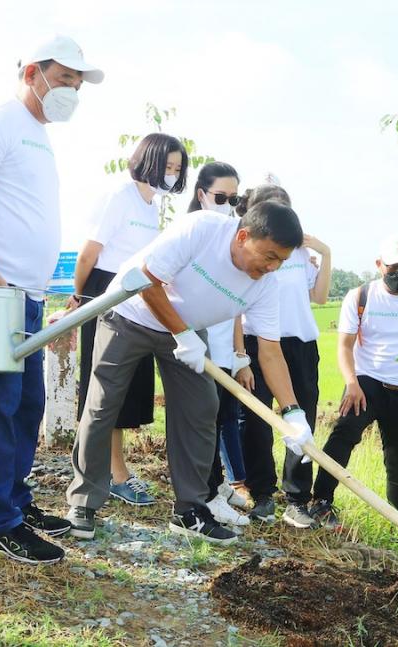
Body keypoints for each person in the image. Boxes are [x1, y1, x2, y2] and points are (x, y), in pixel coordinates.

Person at [65, 200, 315, 546]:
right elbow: (145, 281)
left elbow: (271, 353)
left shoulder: (265, 285)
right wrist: (182, 334)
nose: (273, 267)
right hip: (130, 312)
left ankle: (190, 510)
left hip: (187, 330)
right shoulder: (202, 229)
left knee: (201, 408)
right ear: (243, 236)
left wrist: (294, 413)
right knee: (104, 404)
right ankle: (83, 502)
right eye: (269, 256)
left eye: (282, 261)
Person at [0, 35, 103, 565]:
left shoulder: (38, 134)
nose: (72, 92)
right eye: (65, 79)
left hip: (28, 297)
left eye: (78, 85)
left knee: (26, 408)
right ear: (33, 72)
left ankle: (14, 500)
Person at [67, 133, 188, 507]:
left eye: (177, 169)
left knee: (131, 387)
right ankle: (112, 474)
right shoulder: (119, 195)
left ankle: (114, 470)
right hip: (104, 291)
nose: (171, 174)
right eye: (167, 166)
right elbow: (90, 252)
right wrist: (78, 297)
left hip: (137, 293)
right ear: (147, 160)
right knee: (105, 387)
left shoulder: (152, 204)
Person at [310, 236, 398, 528]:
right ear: (379, 265)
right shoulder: (360, 296)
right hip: (365, 384)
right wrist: (351, 383)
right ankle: (321, 503)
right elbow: (344, 346)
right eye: (393, 266)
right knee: (343, 437)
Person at [237, 184, 331, 528]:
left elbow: (319, 297)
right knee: (256, 419)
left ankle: (296, 499)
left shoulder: (300, 254)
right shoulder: (250, 255)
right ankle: (262, 494)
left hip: (299, 344)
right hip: (256, 342)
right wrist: (239, 354)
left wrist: (326, 253)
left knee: (300, 419)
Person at [185, 161, 250, 527]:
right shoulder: (193, 235)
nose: (228, 204)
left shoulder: (236, 237)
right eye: (220, 197)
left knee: (221, 416)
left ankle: (217, 484)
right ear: (201, 195)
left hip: (224, 345)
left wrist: (240, 355)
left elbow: (238, 305)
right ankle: (206, 495)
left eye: (234, 198)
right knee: (202, 420)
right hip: (196, 344)